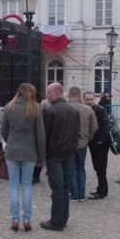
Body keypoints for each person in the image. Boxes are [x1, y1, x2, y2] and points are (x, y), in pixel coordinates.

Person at [1, 83, 46, 232]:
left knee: (13, 185)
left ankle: (14, 219)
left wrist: (11, 141)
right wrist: (41, 156)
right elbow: (40, 135)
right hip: (30, 150)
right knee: (27, 185)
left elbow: (3, 130)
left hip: (13, 149)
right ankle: (27, 219)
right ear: (31, 93)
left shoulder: (9, 107)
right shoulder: (36, 108)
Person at [40, 83, 80, 231]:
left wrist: (42, 154)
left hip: (55, 154)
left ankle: (56, 221)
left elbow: (45, 134)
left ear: (58, 93)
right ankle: (63, 217)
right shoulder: (73, 110)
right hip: (69, 153)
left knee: (57, 187)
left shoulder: (50, 111)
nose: (47, 95)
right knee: (64, 186)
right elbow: (77, 133)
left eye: (49, 92)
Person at [67, 87, 97, 201]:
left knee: (71, 168)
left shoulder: (66, 108)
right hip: (82, 142)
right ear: (80, 96)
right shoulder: (88, 109)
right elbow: (94, 126)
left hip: (69, 142)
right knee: (81, 167)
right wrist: (88, 137)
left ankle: (74, 194)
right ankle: (82, 194)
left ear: (70, 95)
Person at [83, 91, 110, 200]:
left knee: (101, 167)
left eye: (91, 99)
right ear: (84, 100)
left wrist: (101, 140)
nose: (89, 101)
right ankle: (101, 188)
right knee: (97, 166)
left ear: (95, 99)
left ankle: (103, 191)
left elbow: (106, 125)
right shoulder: (85, 110)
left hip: (101, 143)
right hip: (92, 142)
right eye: (87, 100)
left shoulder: (100, 109)